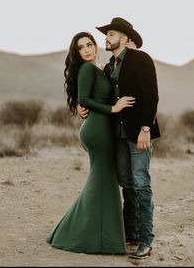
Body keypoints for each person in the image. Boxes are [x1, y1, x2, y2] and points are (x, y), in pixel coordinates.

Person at [46, 31, 136, 254]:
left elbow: (91, 96)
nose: (86, 49)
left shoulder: (99, 69)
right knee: (102, 179)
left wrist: (130, 53)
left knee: (103, 179)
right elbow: (84, 99)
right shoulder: (87, 69)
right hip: (97, 130)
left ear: (96, 47)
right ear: (77, 52)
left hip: (101, 128)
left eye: (89, 44)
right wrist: (113, 108)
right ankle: (90, 236)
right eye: (81, 47)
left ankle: (96, 233)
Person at [78, 17, 160, 259]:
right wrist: (85, 109)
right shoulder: (108, 67)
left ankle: (146, 240)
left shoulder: (140, 59)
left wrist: (146, 127)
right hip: (118, 134)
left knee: (141, 184)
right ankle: (131, 234)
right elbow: (102, 99)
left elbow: (152, 95)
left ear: (125, 37)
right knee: (126, 182)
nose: (106, 38)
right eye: (107, 34)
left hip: (139, 133)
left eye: (111, 34)